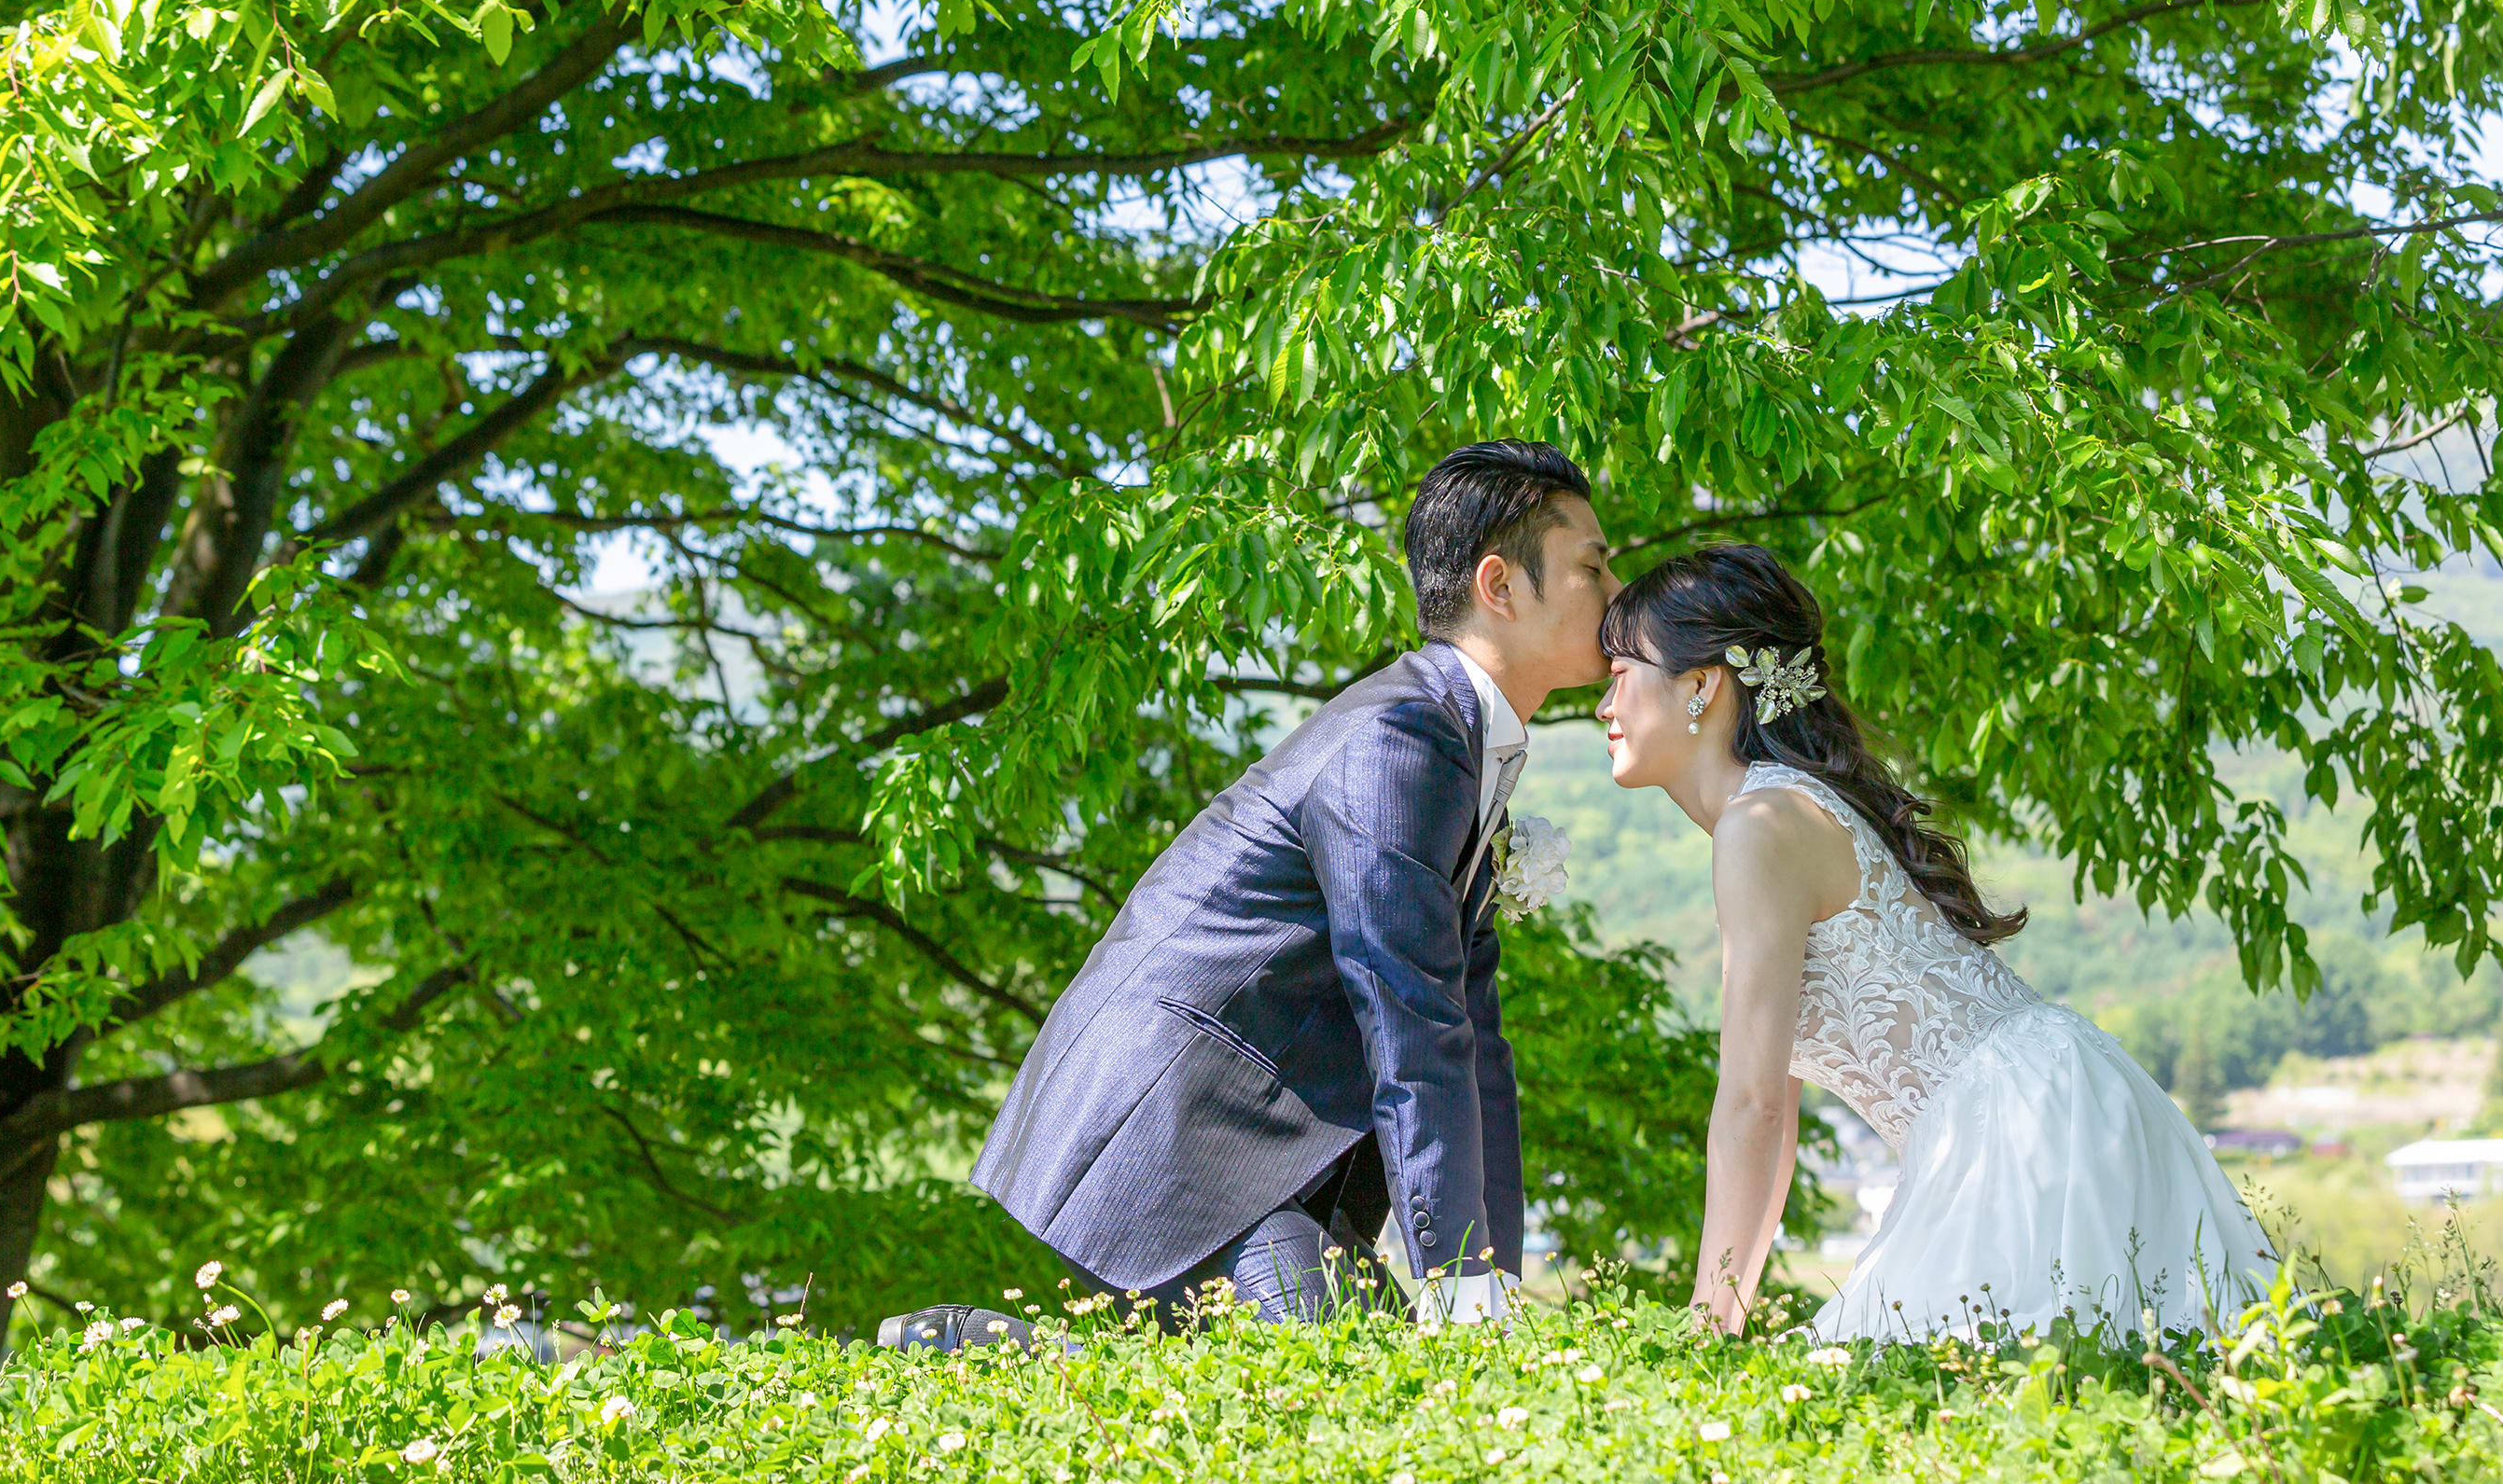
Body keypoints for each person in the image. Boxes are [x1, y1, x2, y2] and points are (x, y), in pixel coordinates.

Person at [881, 441, 1620, 1352]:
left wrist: (1488, 1274)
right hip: (1176, 1131)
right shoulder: (1403, 734)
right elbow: (1411, 1011)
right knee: (1343, 1374)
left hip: (1249, 1151)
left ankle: (995, 1350)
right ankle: (967, 1348)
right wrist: (1457, 1279)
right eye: (1593, 565)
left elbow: (1474, 1046)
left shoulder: (1462, 743)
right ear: (1500, 585)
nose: (1616, 590)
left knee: (1365, 1376)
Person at [1594, 543, 2275, 1340]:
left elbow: (1752, 1105)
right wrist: (1722, 1314)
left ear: (1701, 685)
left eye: (1620, 674)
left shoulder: (1761, 822)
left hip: (2020, 1129)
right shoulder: (1777, 811)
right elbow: (1770, 1115)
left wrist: (1705, 1327)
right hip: (2036, 1103)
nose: (1603, 705)